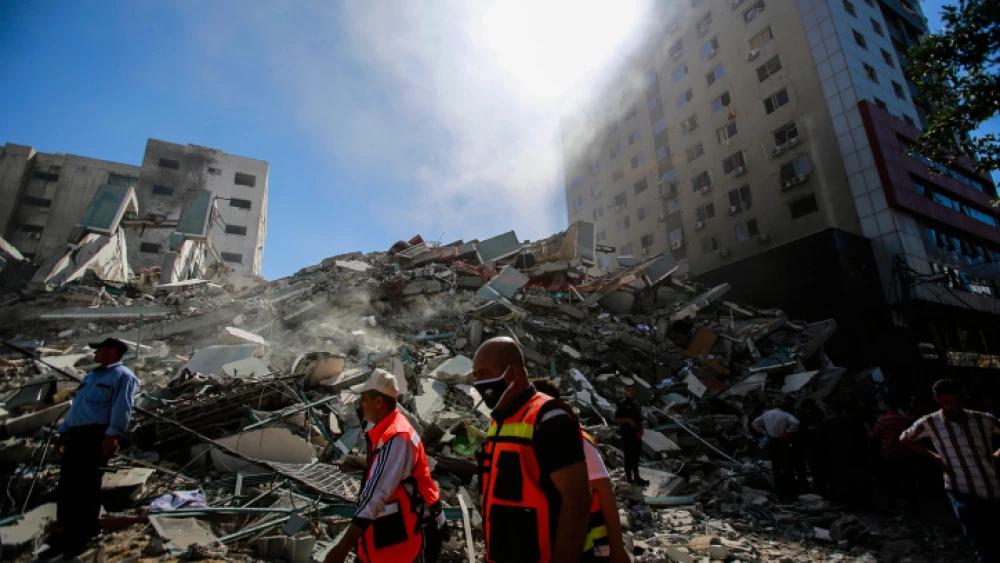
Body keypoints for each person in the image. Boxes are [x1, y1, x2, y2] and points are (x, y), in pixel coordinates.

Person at [473, 337, 591, 563]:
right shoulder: (499, 421)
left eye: (484, 373)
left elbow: (577, 500)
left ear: (513, 372)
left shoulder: (550, 418)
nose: (478, 383)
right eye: (475, 375)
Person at [325, 369, 445, 563]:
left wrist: (343, 546)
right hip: (405, 524)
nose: (361, 404)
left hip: (419, 529)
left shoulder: (397, 437)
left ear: (378, 402)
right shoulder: (390, 429)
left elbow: (376, 493)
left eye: (364, 399)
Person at [50, 338, 139, 557]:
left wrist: (112, 434)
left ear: (112, 351)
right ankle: (65, 525)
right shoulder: (91, 377)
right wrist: (63, 432)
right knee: (68, 480)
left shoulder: (123, 376)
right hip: (76, 435)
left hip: (96, 435)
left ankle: (83, 532)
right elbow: (77, 407)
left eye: (99, 349)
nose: (95, 353)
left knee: (87, 482)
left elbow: (122, 406)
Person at [900, 379, 1000, 562]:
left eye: (958, 402)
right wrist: (935, 457)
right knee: (982, 544)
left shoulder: (982, 419)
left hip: (991, 487)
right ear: (937, 399)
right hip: (959, 488)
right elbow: (905, 438)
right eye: (948, 403)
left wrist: (996, 456)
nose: (954, 407)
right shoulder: (930, 422)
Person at [531, 379, 629, 563]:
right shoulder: (533, 440)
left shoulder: (575, 441)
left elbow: (605, 489)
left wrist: (617, 548)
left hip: (592, 542)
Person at [871, 399, 918, 511]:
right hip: (905, 452)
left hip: (889, 453)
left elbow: (875, 433)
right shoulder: (905, 419)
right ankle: (913, 505)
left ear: (887, 405)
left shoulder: (883, 419)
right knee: (908, 480)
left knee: (890, 480)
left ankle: (892, 504)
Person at [752, 397, 800, 502]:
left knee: (776, 468)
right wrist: (787, 432)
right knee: (787, 467)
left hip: (772, 441)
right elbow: (796, 423)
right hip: (782, 441)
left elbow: (755, 423)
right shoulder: (785, 415)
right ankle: (791, 493)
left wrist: (764, 433)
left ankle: (780, 494)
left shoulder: (767, 414)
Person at [614, 384, 647, 486]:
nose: (630, 392)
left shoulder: (637, 404)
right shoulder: (622, 404)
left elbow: (640, 420)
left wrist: (641, 430)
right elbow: (617, 419)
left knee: (636, 455)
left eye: (632, 390)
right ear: (625, 392)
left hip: (636, 434)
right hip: (627, 434)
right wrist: (628, 420)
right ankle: (629, 478)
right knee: (628, 456)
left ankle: (637, 476)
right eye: (628, 391)